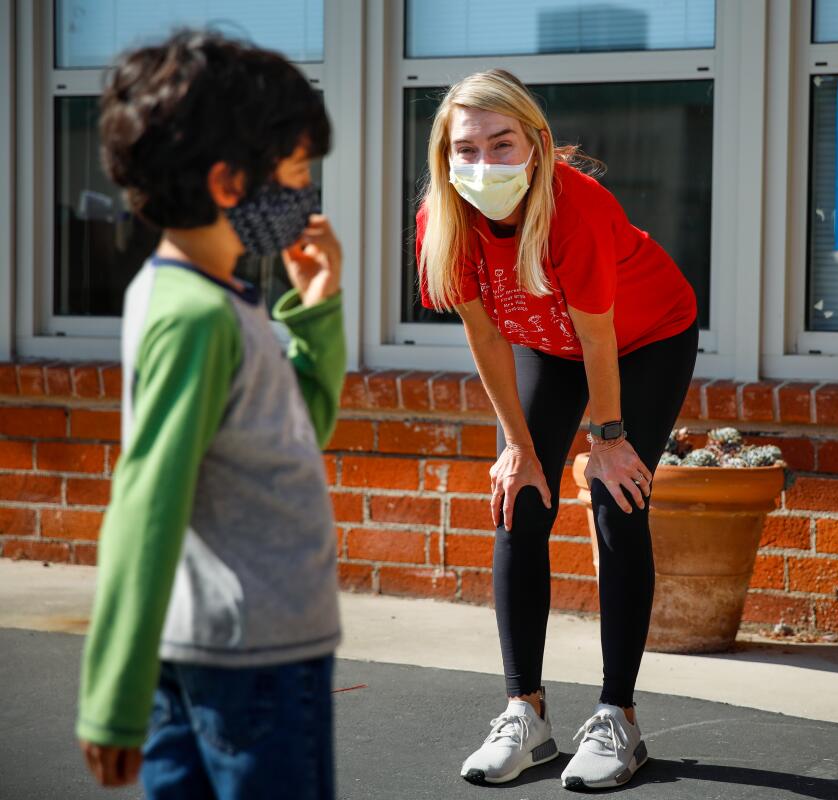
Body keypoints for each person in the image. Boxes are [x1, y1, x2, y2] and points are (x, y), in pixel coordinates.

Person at [75, 31, 346, 799]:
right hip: (253, 660)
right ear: (231, 182)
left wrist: (317, 306)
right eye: (296, 174)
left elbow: (298, 430)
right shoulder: (196, 316)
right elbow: (147, 502)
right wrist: (114, 696)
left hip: (236, 650)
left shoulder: (214, 293)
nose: (305, 196)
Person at [416, 69, 698, 791]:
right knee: (520, 497)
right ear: (444, 155)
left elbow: (600, 338)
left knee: (616, 500)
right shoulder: (442, 219)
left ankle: (618, 720)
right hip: (547, 342)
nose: (483, 163)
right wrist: (516, 446)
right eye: (466, 148)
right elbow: (484, 336)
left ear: (537, 144)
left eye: (501, 143)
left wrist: (608, 439)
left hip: (644, 337)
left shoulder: (576, 206)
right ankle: (525, 714)